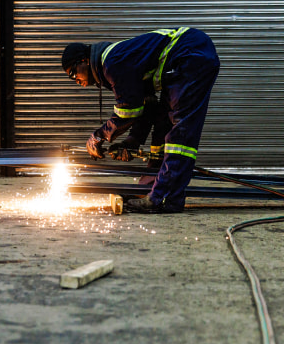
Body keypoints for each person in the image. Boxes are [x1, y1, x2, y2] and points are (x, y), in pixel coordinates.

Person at [61, 27, 220, 213]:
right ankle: (150, 188)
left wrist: (98, 136)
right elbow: (148, 105)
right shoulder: (114, 63)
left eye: (73, 73)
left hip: (190, 55)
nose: (76, 80)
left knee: (180, 135)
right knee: (162, 124)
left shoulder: (111, 63)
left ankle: (164, 199)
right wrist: (133, 141)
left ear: (84, 61)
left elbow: (128, 110)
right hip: (181, 61)